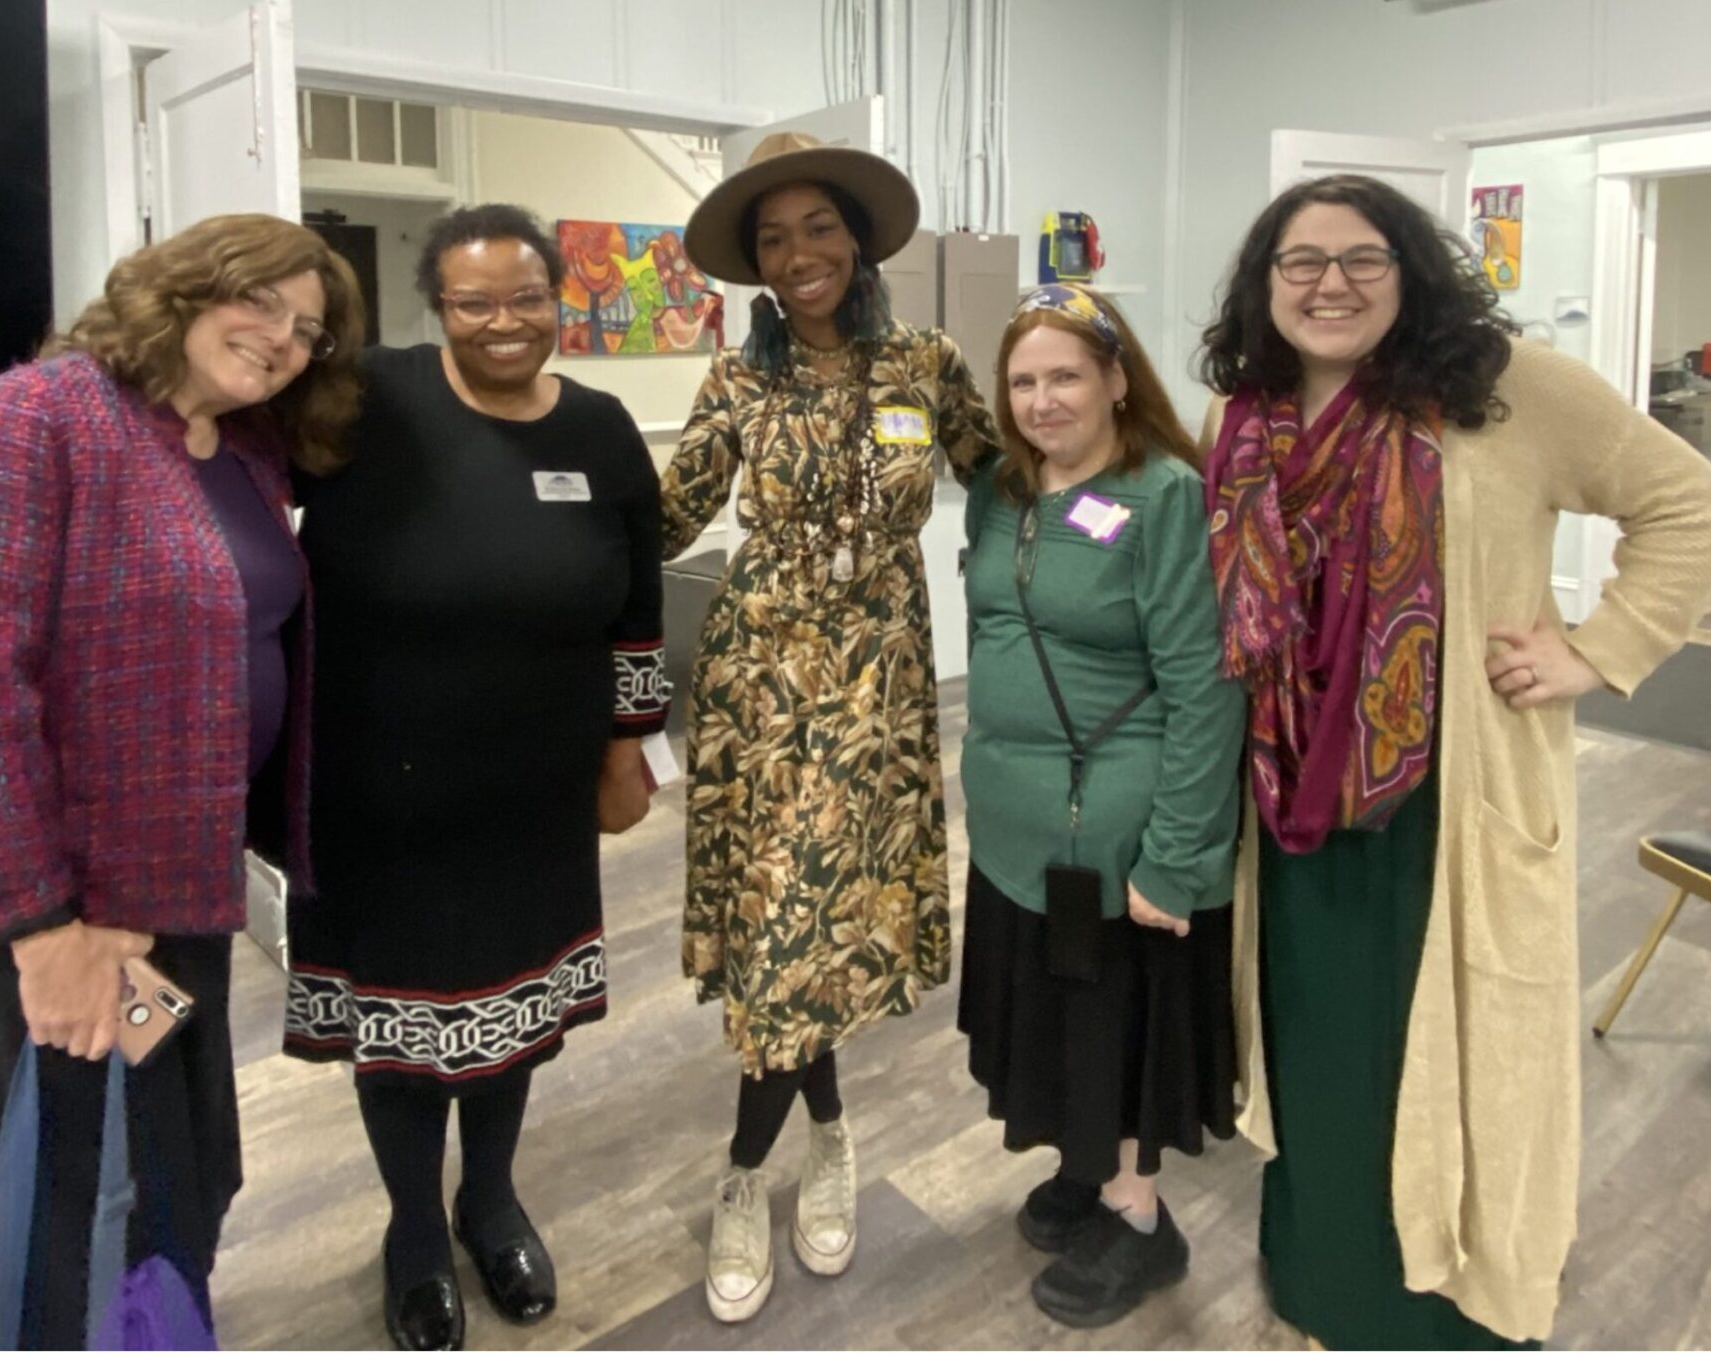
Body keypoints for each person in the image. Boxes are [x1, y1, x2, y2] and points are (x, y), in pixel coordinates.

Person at [1198, 173, 1711, 1349]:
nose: (1329, 284)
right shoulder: (1244, 420)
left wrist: (1598, 651)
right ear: (1265, 282)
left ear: (1410, 270)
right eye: (1301, 262)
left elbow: (1690, 503)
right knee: (1319, 1053)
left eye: (1361, 259)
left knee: (1456, 1051)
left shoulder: (1502, 391)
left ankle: (1452, 1301)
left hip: (1450, 803)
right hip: (1291, 807)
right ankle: (1324, 1273)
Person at [0, 213, 365, 1349]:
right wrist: (45, 933)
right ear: (182, 287)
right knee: (29, 1211)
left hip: (168, 902)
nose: (284, 339)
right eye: (263, 304)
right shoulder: (28, 420)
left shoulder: (239, 448)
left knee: (157, 1179)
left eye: (306, 330)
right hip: (37, 918)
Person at [281, 204, 667, 1350]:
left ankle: (488, 1199)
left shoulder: (600, 432)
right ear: (436, 306)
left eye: (527, 297)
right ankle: (411, 1227)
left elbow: (637, 612)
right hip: (378, 790)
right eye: (474, 301)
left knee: (516, 1008)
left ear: (560, 299)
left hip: (533, 789)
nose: (505, 323)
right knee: (398, 1023)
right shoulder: (367, 401)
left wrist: (625, 748)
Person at [661, 131, 999, 1322]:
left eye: (817, 227)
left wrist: (1138, 513)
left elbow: (1008, 473)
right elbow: (662, 520)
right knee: (780, 926)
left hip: (884, 684)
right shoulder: (738, 380)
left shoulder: (923, 362)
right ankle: (755, 1169)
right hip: (764, 690)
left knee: (831, 927)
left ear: (855, 238)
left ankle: (826, 1133)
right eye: (772, 238)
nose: (797, 254)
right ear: (754, 265)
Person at [957, 284, 1244, 1329]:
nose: (1043, 399)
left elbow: (1207, 684)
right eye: (1024, 380)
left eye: (1066, 374)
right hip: (1016, 833)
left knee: (1113, 1022)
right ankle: (1087, 1167)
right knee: (1057, 1020)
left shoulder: (1165, 494)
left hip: (1116, 831)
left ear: (1119, 380)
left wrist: (1175, 856)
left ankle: (1138, 1217)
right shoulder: (1003, 488)